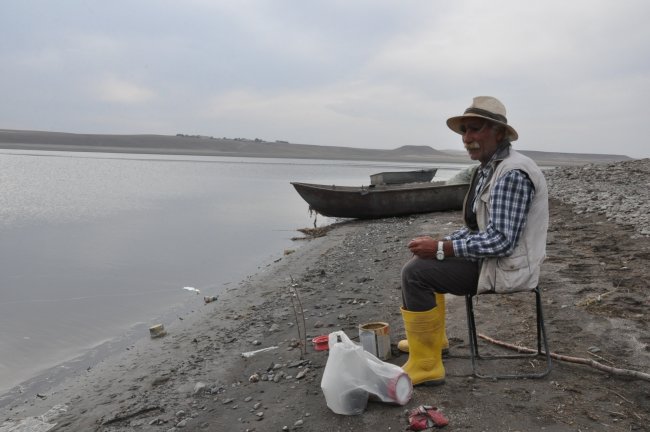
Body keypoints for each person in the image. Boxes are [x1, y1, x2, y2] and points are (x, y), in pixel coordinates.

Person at [398, 96, 549, 386]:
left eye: (475, 129)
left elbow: (501, 241)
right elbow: (478, 228)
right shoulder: (490, 167)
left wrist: (442, 248)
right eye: (464, 130)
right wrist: (441, 243)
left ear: (499, 132)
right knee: (424, 259)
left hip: (509, 268)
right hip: (496, 261)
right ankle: (434, 342)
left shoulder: (511, 173)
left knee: (415, 274)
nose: (467, 138)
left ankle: (427, 365)